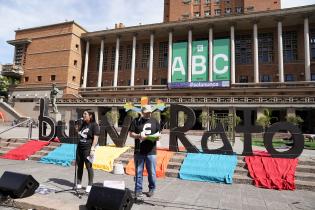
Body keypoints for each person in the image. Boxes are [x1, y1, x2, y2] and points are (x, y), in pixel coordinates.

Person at [129, 105, 161, 199]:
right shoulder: (136, 121)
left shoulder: (154, 121)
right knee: (138, 172)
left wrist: (156, 137)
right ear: (142, 112)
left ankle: (152, 188)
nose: (149, 114)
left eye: (150, 112)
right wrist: (139, 136)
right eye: (147, 112)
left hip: (151, 151)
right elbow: (131, 134)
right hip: (139, 151)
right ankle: (138, 190)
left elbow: (159, 134)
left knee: (152, 172)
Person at [76, 110, 100, 193]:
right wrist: (77, 126)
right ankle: (79, 183)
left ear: (90, 116)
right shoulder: (83, 124)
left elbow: (96, 138)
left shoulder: (94, 125)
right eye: (83, 114)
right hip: (80, 147)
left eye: (85, 114)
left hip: (88, 148)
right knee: (80, 165)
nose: (83, 115)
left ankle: (90, 184)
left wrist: (92, 149)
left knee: (88, 166)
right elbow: (79, 133)